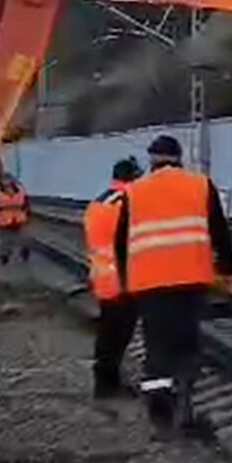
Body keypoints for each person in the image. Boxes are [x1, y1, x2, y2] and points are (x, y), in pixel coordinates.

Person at [113, 135, 232, 436]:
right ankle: (186, 407)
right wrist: (226, 271)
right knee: (186, 343)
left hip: (149, 284)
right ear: (179, 158)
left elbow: (120, 242)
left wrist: (126, 281)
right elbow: (221, 233)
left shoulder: (135, 192)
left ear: (151, 159)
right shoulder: (201, 185)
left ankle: (160, 418)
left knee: (157, 348)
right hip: (192, 280)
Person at [85, 156, 141, 399]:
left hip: (102, 278)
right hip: (123, 279)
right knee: (119, 335)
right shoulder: (128, 202)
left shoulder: (98, 202)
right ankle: (108, 386)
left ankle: (105, 383)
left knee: (108, 334)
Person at [0, 173, 30, 265]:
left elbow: (27, 203)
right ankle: (4, 257)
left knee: (22, 238)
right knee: (5, 240)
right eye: (5, 183)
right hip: (3, 220)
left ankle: (24, 252)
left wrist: (26, 211)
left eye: (9, 182)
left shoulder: (20, 190)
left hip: (19, 219)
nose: (7, 185)